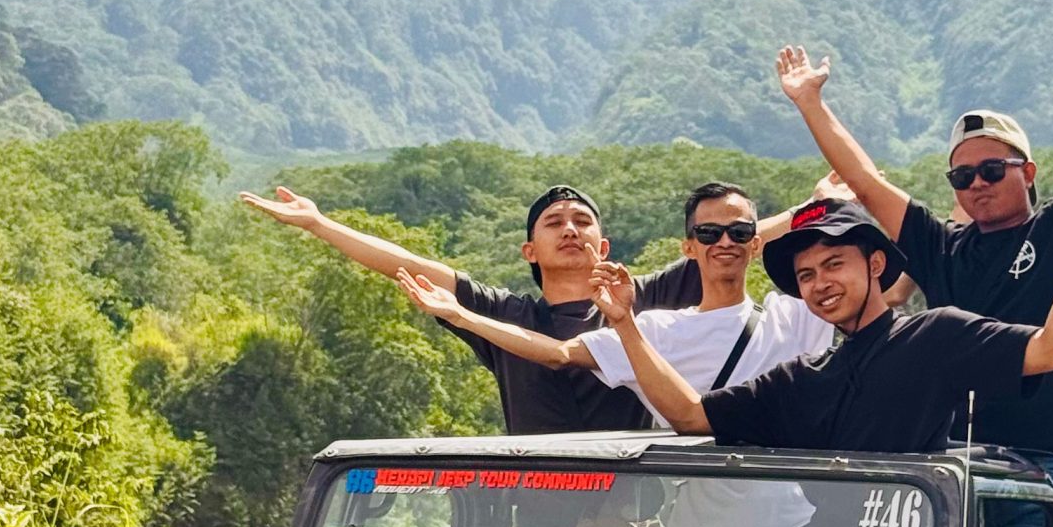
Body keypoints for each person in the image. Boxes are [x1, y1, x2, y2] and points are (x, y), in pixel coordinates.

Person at [591, 168, 1053, 527]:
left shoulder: (934, 337)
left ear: (875, 264)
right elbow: (690, 415)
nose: (819, 284)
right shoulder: (806, 379)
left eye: (834, 264)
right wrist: (626, 326)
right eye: (806, 275)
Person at [771, 0, 1053, 527]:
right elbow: (864, 181)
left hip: (1046, 465)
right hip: (959, 468)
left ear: (1029, 172)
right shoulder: (943, 249)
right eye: (962, 177)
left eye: (993, 170)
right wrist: (811, 103)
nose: (977, 185)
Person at [395, 179, 840, 527]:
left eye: (739, 233)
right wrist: (460, 316)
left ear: (756, 243)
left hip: (784, 526)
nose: (724, 242)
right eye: (708, 235)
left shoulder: (796, 314)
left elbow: (875, 288)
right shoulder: (654, 329)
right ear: (689, 247)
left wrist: (818, 206)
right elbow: (557, 353)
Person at [242, 176, 811, 436]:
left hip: (636, 511)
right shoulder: (505, 316)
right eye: (554, 223)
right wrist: (320, 224)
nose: (570, 230)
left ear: (604, 246)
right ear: (529, 250)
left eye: (583, 222)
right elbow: (405, 262)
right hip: (540, 505)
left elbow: (729, 238)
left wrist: (819, 206)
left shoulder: (638, 299)